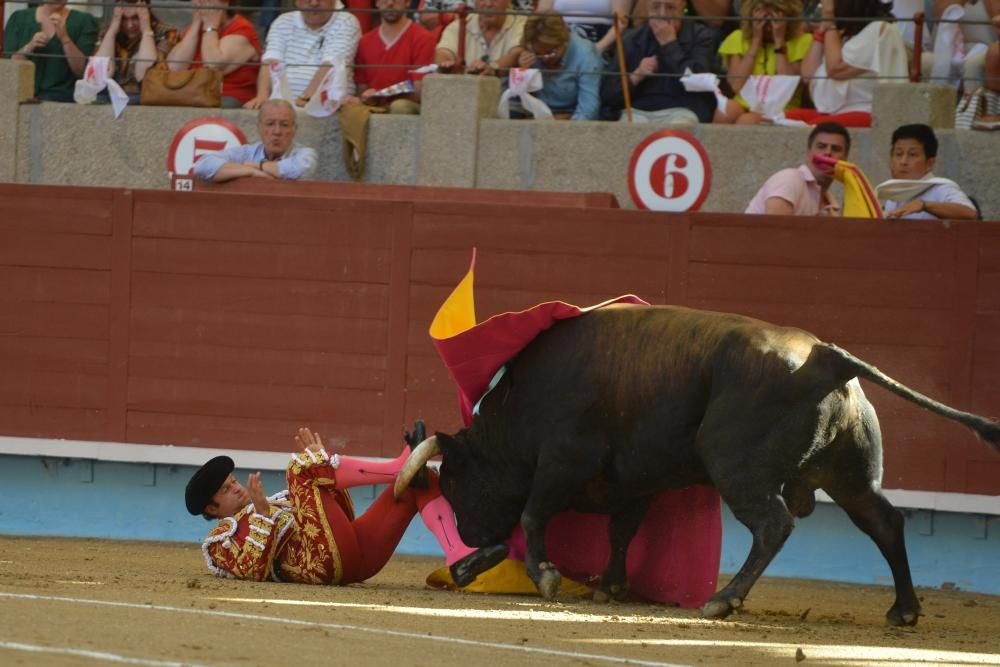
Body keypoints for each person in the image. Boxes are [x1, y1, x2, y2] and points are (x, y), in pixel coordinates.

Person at [187, 426, 509, 586]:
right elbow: (251, 571)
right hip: (319, 568)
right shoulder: (219, 541)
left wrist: (324, 474)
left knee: (420, 478)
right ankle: (397, 466)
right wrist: (263, 516)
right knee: (298, 467)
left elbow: (343, 518)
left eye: (232, 480)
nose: (235, 486)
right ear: (213, 509)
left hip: (355, 559)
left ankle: (458, 555)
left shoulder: (277, 501)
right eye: (225, 489)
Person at [791, 0, 908, 127]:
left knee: (810, 131)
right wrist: (821, 32)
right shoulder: (842, 33)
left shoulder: (880, 29)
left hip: (866, 112)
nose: (824, 5)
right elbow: (808, 76)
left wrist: (829, 19)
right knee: (776, 119)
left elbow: (836, 70)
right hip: (833, 113)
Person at [600, 0, 717, 123]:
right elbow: (608, 94)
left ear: (682, 9)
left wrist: (670, 44)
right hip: (638, 110)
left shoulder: (700, 36)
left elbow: (701, 83)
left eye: (670, 7)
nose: (662, 13)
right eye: (656, 6)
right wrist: (636, 76)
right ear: (648, 9)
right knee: (630, 128)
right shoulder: (631, 39)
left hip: (683, 109)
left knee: (681, 126)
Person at [245, 0, 361, 110]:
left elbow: (331, 66)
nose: (314, 3)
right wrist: (262, 97)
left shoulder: (346, 21)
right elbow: (270, 61)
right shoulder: (283, 21)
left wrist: (305, 99)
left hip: (323, 106)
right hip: (280, 105)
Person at [715, 0, 813, 124]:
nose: (768, 27)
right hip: (744, 102)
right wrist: (756, 41)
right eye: (762, 21)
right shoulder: (738, 37)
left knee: (747, 120)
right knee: (726, 110)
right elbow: (736, 85)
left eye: (774, 21)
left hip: (781, 107)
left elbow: (788, 85)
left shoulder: (804, 40)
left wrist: (779, 41)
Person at [193, 99, 318, 182]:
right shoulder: (246, 153)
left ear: (294, 129)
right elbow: (202, 165)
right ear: (259, 128)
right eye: (270, 124)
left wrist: (259, 166)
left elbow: (300, 169)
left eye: (284, 125)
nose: (277, 131)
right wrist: (251, 172)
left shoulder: (305, 153)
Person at [166, 0, 261, 107]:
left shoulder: (241, 28)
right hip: (193, 94)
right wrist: (195, 25)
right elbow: (174, 67)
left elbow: (213, 66)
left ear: (225, 3)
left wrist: (210, 26)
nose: (200, 3)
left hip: (227, 98)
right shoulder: (196, 28)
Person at [508, 13, 603, 119]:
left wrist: (560, 126)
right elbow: (518, 97)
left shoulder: (586, 55)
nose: (545, 58)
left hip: (571, 116)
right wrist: (523, 70)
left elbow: (589, 110)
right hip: (537, 115)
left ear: (564, 41)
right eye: (539, 54)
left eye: (551, 52)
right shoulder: (531, 50)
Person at [875, 124, 979, 220]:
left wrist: (924, 205)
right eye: (898, 154)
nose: (903, 162)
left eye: (912, 155)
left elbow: (970, 213)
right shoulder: (892, 194)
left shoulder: (941, 189)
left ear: (929, 164)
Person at [745, 121, 850, 215]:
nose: (828, 153)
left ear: (845, 159)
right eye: (821, 147)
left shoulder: (831, 207)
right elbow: (777, 232)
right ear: (808, 153)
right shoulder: (789, 179)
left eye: (836, 149)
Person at [351, 0, 437, 113]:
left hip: (405, 107)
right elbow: (361, 88)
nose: (390, 3)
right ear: (376, 2)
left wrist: (381, 95)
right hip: (374, 107)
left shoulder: (423, 38)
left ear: (408, 2)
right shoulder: (365, 41)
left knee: (400, 106)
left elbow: (420, 91)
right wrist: (366, 96)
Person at [4, 0, 98, 102]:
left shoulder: (83, 21)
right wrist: (29, 47)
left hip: (62, 100)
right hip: (22, 98)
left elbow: (81, 71)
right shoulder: (19, 18)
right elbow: (9, 67)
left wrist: (64, 38)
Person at [93, 0, 179, 104]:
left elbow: (143, 77)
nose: (130, 25)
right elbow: (100, 75)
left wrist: (146, 29)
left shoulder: (166, 33)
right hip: (109, 97)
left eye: (136, 18)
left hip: (142, 97)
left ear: (147, 13)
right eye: (124, 18)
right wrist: (112, 30)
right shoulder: (109, 32)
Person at [434, 0, 527, 75]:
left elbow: (516, 54)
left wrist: (492, 68)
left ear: (509, 2)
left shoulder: (521, 23)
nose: (488, 4)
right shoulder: (459, 25)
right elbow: (443, 52)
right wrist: (445, 64)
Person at [535, 0, 630, 56]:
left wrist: (598, 48)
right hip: (557, 43)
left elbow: (621, 22)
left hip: (600, 44)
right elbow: (540, 18)